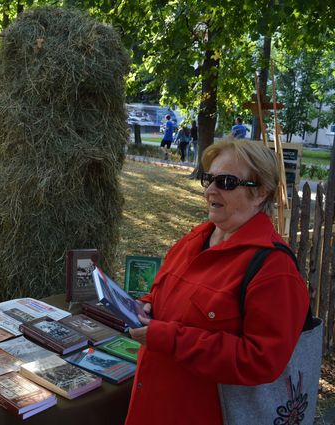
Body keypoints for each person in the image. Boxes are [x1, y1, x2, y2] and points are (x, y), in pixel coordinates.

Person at [125, 140, 309, 425]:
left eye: (225, 181)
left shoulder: (274, 269)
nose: (210, 190)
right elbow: (164, 295)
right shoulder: (195, 238)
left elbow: (261, 360)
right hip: (153, 405)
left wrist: (169, 338)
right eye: (208, 178)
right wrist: (146, 307)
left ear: (260, 193)